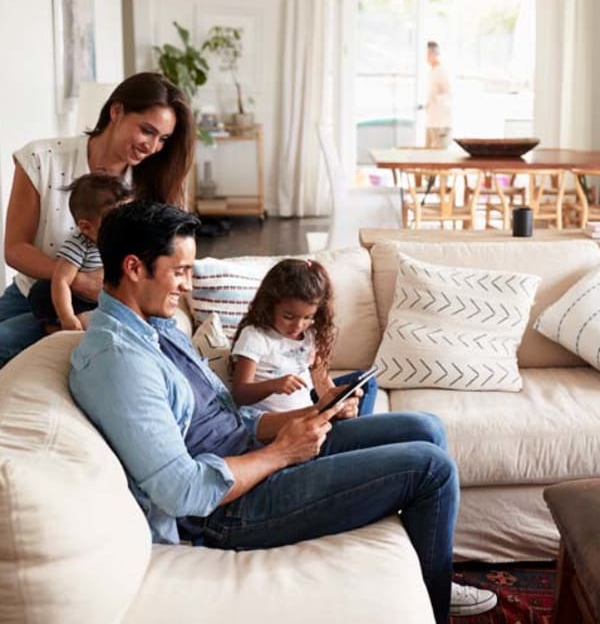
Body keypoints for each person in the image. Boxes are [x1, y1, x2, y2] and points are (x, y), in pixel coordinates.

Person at [69, 201, 497, 623]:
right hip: (226, 509)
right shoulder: (120, 361)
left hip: (254, 454)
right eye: (178, 271)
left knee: (424, 427)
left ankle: (429, 572)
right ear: (133, 268)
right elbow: (182, 492)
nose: (186, 286)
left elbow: (228, 416)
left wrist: (299, 419)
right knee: (430, 468)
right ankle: (436, 600)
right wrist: (283, 453)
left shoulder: (156, 328)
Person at [0, 71, 195, 367]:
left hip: (109, 303)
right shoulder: (42, 158)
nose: (153, 146)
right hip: (34, 289)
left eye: (163, 139)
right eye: (146, 130)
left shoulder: (152, 183)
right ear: (116, 111)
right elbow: (15, 248)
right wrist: (76, 280)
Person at [230, 258, 378, 415]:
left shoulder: (309, 334)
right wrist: (273, 385)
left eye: (308, 317)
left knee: (365, 382)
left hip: (310, 414)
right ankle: (355, 432)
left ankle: (353, 428)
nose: (298, 326)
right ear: (269, 305)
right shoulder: (255, 336)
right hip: (281, 424)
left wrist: (337, 406)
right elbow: (239, 394)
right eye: (288, 316)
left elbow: (321, 382)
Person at [28, 173, 133, 332]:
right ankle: (57, 329)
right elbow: (62, 281)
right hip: (78, 302)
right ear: (86, 227)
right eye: (115, 224)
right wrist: (67, 316)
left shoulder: (126, 241)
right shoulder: (79, 245)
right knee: (42, 290)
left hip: (109, 301)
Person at [425, 41, 452, 149]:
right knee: (427, 154)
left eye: (428, 54)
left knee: (439, 155)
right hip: (431, 121)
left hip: (441, 123)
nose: (426, 57)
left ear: (434, 54)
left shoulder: (442, 72)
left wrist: (435, 100)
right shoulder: (432, 72)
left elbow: (449, 95)